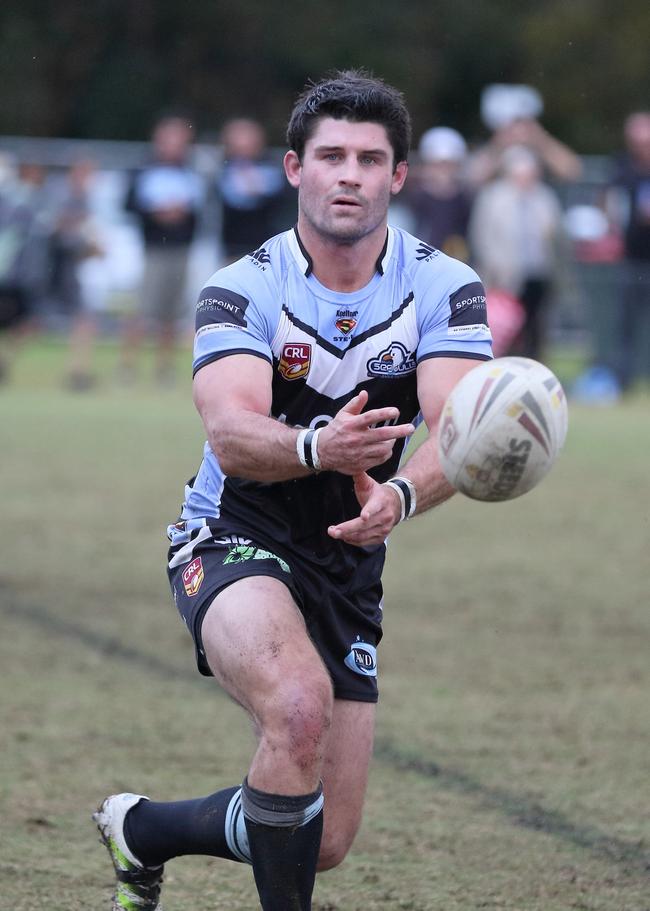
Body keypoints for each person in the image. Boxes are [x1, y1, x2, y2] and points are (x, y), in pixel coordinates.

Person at [93, 69, 493, 911]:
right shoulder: (242, 286)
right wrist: (320, 444)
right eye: (331, 155)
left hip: (349, 558)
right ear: (293, 169)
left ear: (398, 178)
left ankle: (146, 830)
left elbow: (460, 430)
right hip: (232, 531)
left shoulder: (443, 285)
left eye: (369, 158)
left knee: (325, 839)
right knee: (299, 708)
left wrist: (405, 495)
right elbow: (231, 433)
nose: (349, 173)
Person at [121, 114, 205, 384]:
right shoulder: (143, 170)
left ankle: (164, 367)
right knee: (143, 310)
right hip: (154, 249)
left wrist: (180, 213)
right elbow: (129, 205)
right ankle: (128, 365)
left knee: (171, 313)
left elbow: (200, 211)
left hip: (181, 250)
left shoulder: (192, 171)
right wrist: (157, 213)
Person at [468, 144, 565, 360]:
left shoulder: (544, 198)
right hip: (504, 277)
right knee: (505, 327)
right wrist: (495, 268)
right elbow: (482, 236)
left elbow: (554, 234)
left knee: (536, 327)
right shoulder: (494, 197)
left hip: (538, 274)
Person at [609, 110, 650, 390]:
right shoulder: (623, 168)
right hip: (630, 259)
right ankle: (623, 381)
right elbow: (609, 200)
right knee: (625, 326)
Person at [217, 117, 288, 263]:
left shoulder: (273, 168)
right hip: (233, 248)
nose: (244, 144)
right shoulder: (222, 171)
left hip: (267, 248)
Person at [407, 126, 472, 261]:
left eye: (449, 166)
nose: (443, 172)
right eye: (438, 166)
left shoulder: (465, 199)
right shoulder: (415, 198)